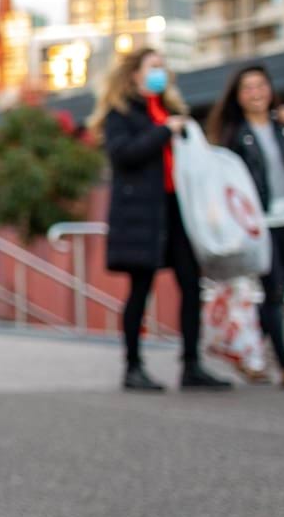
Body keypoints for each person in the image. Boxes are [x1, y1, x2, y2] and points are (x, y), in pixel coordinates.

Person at [93, 48, 229, 393]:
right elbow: (123, 154)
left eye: (163, 67)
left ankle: (192, 365)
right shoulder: (121, 112)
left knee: (190, 283)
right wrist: (163, 131)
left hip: (177, 209)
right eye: (153, 66)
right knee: (141, 288)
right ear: (134, 73)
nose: (160, 72)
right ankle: (133, 366)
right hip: (141, 212)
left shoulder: (171, 110)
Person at [206, 64, 284, 389]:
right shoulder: (235, 133)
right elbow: (224, 180)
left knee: (279, 292)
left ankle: (248, 356)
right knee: (273, 291)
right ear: (238, 96)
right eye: (247, 88)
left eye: (261, 85)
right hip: (258, 224)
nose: (256, 93)